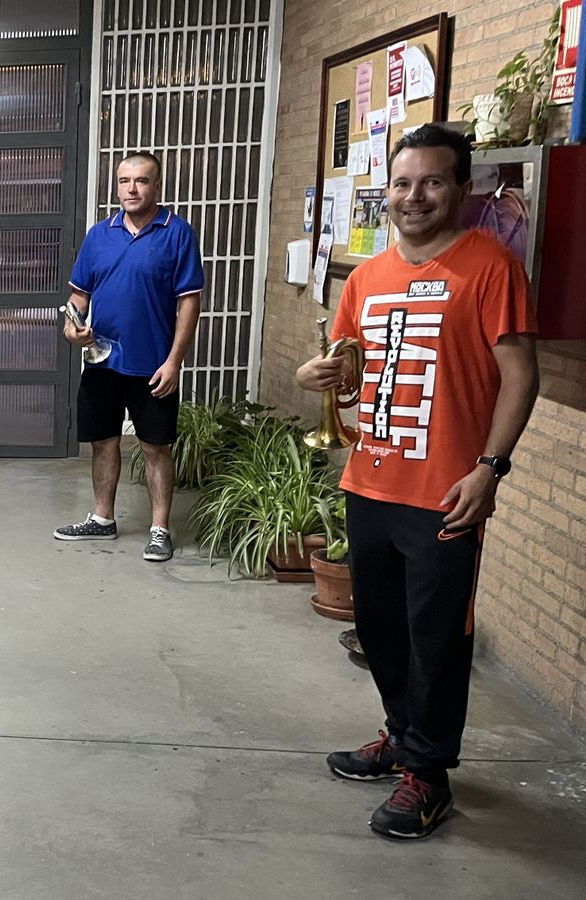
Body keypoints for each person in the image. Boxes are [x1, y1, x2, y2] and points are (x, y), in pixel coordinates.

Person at [297, 125, 539, 840]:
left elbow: (521, 374)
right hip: (370, 481)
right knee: (378, 627)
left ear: (461, 190)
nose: (414, 196)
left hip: (446, 492)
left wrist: (489, 469)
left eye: (432, 182)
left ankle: (429, 777)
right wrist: (318, 375)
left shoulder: (491, 265)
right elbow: (346, 364)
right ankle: (402, 739)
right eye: (402, 184)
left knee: (437, 636)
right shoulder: (367, 277)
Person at [56, 151, 203, 562]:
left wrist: (174, 360)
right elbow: (78, 295)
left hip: (153, 364)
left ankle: (159, 529)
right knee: (103, 443)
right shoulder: (99, 235)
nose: (131, 189)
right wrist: (72, 327)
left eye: (141, 180)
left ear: (157, 186)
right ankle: (102, 519)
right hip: (102, 362)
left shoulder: (177, 234)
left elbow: (189, 302)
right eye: (124, 181)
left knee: (156, 447)